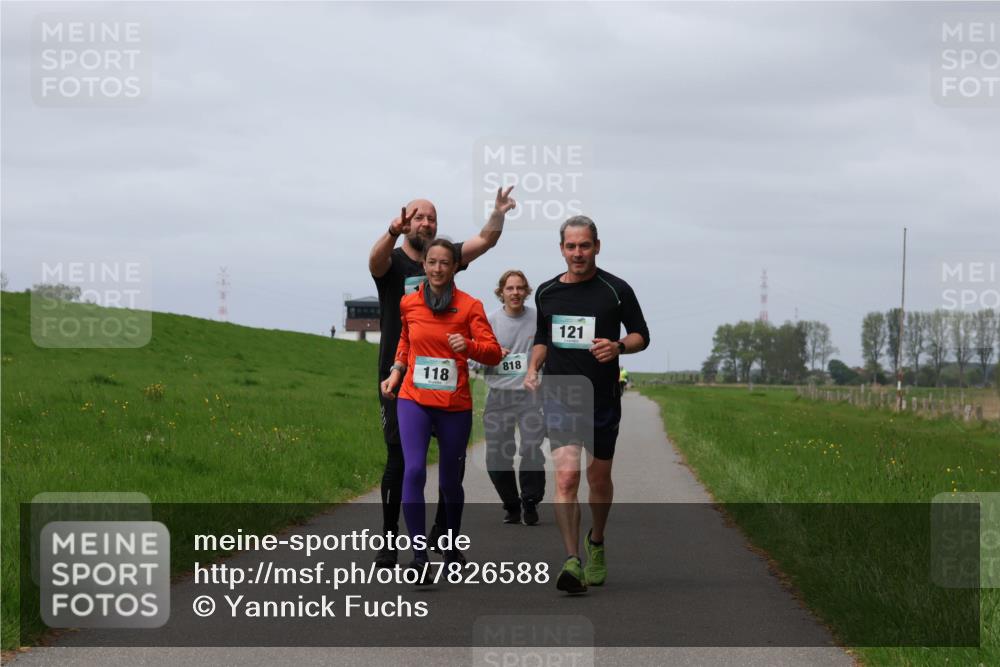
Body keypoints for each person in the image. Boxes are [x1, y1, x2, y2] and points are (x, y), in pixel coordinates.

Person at [368, 187, 515, 568]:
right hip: (404, 380)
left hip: (451, 393)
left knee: (452, 472)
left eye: (431, 218)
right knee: (402, 461)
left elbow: (485, 240)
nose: (425, 222)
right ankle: (392, 541)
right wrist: (392, 231)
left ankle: (444, 538)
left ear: (449, 265)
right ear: (407, 222)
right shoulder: (395, 263)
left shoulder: (450, 264)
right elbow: (374, 262)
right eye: (419, 216)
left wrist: (498, 213)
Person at [524, 216, 649, 594]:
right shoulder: (546, 293)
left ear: (597, 246)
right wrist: (533, 367)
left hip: (602, 399)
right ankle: (571, 560)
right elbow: (544, 338)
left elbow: (642, 334)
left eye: (585, 245)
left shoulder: (616, 290)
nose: (578, 253)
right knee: (565, 478)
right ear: (561, 248)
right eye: (571, 246)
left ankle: (596, 541)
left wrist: (619, 346)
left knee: (597, 479)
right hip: (561, 395)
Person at [482, 270, 546, 526]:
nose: (515, 293)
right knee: (497, 457)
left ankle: (530, 500)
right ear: (501, 292)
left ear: (526, 291)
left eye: (520, 288)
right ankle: (511, 503)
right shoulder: (490, 321)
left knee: (531, 448)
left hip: (530, 395)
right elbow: (474, 354)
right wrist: (492, 352)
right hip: (498, 395)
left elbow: (547, 347)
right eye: (510, 288)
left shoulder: (537, 319)